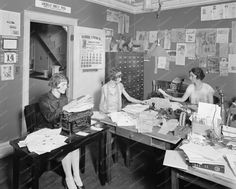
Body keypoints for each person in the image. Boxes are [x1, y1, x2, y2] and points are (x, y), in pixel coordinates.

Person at [39, 73, 84, 189]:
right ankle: (69, 178)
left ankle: (76, 176)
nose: (66, 87)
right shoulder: (44, 99)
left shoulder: (64, 97)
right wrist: (65, 108)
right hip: (49, 131)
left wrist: (77, 107)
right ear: (54, 85)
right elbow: (49, 118)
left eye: (66, 84)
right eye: (63, 85)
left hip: (63, 128)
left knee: (75, 144)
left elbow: (67, 114)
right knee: (68, 146)